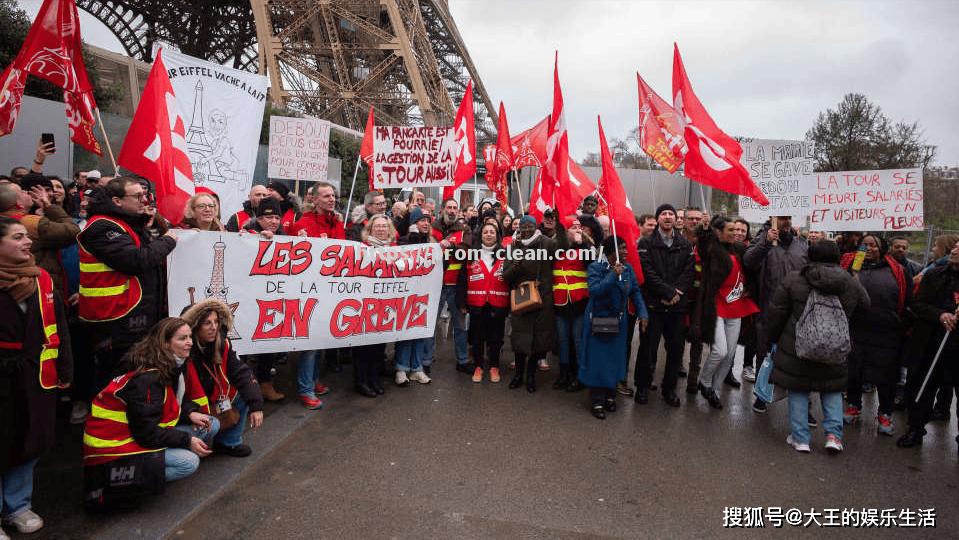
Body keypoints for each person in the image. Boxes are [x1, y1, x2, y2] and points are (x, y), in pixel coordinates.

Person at [82, 318, 217, 511]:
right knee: (189, 462)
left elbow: (165, 405)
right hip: (114, 447)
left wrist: (189, 413)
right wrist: (186, 441)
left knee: (211, 424)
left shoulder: (166, 362)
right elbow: (146, 433)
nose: (190, 342)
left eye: (189, 337)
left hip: (134, 432)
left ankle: (153, 468)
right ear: (165, 343)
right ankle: (137, 484)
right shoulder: (148, 377)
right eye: (183, 338)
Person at [0, 217, 72, 535]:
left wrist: (66, 368)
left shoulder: (41, 279)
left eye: (26, 237)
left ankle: (17, 506)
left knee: (30, 440)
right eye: (17, 237)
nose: (27, 242)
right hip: (2, 378)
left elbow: (59, 327)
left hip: (36, 377)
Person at [76, 178, 177, 393]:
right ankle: (106, 424)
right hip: (114, 317)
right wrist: (168, 240)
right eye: (138, 196)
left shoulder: (125, 223)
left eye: (145, 195)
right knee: (114, 379)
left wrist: (142, 226)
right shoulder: (102, 226)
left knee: (134, 377)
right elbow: (136, 261)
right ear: (117, 201)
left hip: (131, 314)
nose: (145, 200)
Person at [767, 240, 868, 454]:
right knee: (832, 390)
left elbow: (776, 312)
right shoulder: (849, 281)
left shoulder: (795, 279)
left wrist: (772, 339)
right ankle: (834, 436)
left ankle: (800, 438)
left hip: (797, 345)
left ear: (809, 255)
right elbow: (865, 306)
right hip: (835, 346)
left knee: (798, 389)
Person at [840, 234, 909, 435]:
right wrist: (852, 273)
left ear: (882, 248)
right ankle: (854, 406)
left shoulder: (897, 270)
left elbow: (907, 300)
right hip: (856, 330)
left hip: (887, 333)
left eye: (873, 245)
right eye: (864, 245)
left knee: (886, 377)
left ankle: (885, 414)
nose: (868, 248)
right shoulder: (852, 267)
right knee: (854, 372)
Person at [181, 300, 264, 457]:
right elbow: (176, 397)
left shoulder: (222, 344)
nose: (214, 327)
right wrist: (191, 412)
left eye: (216, 322)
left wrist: (256, 405)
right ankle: (186, 446)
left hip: (213, 399)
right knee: (190, 458)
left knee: (245, 392)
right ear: (195, 326)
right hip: (189, 409)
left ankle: (228, 443)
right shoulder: (183, 352)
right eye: (207, 323)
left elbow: (242, 373)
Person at [692, 216, 759, 410]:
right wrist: (705, 229)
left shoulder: (740, 250)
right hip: (716, 307)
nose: (735, 233)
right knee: (719, 350)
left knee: (729, 355)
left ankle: (715, 389)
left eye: (738, 230)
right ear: (719, 232)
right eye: (730, 230)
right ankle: (704, 381)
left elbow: (752, 268)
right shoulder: (712, 249)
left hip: (736, 306)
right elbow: (703, 247)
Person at [897, 242, 959, 451]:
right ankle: (915, 429)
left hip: (956, 350)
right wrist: (940, 315)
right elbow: (917, 304)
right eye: (955, 246)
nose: (955, 250)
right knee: (921, 388)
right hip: (929, 345)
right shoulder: (934, 275)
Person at [743, 215, 808, 413]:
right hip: (769, 307)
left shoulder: (801, 244)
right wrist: (765, 242)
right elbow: (749, 261)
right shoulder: (762, 239)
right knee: (765, 353)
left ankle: (804, 407)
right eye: (782, 218)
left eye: (789, 218)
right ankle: (762, 395)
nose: (786, 222)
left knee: (799, 356)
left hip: (797, 310)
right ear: (772, 218)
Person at [579, 236, 648, 419]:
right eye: (622, 248)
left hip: (619, 322)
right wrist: (611, 274)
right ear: (611, 251)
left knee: (615, 360)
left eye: (626, 248)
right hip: (599, 321)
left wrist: (643, 313)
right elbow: (595, 291)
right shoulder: (596, 268)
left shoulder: (628, 269)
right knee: (599, 361)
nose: (626, 252)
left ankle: (610, 396)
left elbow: (635, 292)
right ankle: (597, 400)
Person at [635, 204, 694, 406]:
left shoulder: (685, 244)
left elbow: (688, 272)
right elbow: (647, 272)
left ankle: (669, 389)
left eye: (671, 213)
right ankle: (642, 387)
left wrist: (676, 293)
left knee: (676, 351)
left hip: (677, 307)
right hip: (654, 305)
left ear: (675, 218)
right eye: (664, 214)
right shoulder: (646, 243)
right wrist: (667, 292)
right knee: (647, 350)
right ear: (658, 218)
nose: (668, 217)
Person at [0, 179, 80, 299]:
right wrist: (48, 205)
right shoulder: (31, 223)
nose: (27, 192)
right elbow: (74, 231)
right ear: (19, 203)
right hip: (36, 290)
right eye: (23, 192)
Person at [503, 215, 556, 392]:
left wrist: (559, 226)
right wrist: (516, 265)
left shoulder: (547, 243)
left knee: (536, 341)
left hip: (542, 299)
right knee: (519, 339)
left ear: (535, 227)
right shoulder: (513, 246)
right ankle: (518, 375)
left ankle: (531, 376)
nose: (526, 230)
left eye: (529, 226)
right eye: (523, 227)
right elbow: (506, 276)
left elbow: (562, 249)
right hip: (521, 298)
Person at [456, 222, 508, 383]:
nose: (489, 234)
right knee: (477, 337)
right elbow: (463, 279)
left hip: (498, 303)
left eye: (492, 232)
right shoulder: (471, 254)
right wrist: (462, 303)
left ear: (497, 235)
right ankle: (478, 366)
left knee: (496, 338)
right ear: (481, 235)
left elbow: (512, 280)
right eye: (486, 232)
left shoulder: (506, 254)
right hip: (476, 303)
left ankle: (494, 366)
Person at [352, 215, 394, 397]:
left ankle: (374, 378)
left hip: (383, 303)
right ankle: (361, 381)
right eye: (377, 226)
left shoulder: (394, 250)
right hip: (364, 303)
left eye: (384, 226)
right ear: (369, 230)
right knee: (363, 346)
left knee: (379, 346)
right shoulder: (362, 249)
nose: (381, 229)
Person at [427, 198, 470, 374]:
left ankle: (462, 360)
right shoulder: (431, 228)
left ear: (458, 211)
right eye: (449, 207)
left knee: (460, 326)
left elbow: (467, 249)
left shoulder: (464, 230)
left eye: (455, 208)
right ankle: (426, 360)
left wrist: (451, 246)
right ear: (443, 209)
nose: (452, 211)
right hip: (435, 285)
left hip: (455, 286)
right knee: (430, 325)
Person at [550, 217, 593, 390]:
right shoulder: (556, 248)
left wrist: (581, 244)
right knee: (563, 340)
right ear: (565, 231)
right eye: (573, 227)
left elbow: (591, 263)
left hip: (579, 302)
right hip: (560, 302)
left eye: (578, 227)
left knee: (578, 340)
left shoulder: (587, 246)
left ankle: (579, 376)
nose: (576, 229)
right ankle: (563, 374)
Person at [394, 208, 435, 386]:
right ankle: (401, 369)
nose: (426, 223)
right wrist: (414, 239)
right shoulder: (403, 240)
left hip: (425, 293)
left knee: (420, 332)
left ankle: (417, 368)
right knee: (406, 332)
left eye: (428, 221)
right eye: (422, 220)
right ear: (414, 224)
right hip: (406, 294)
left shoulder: (433, 243)